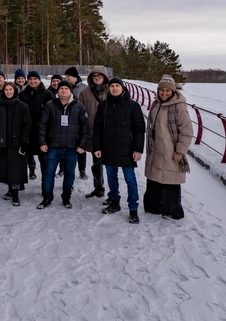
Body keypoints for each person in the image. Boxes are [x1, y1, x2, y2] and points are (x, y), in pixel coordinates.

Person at [93, 78, 145, 224]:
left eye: (117, 86)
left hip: (127, 149)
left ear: (123, 88)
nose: (115, 88)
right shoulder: (103, 106)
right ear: (108, 88)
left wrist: (138, 149)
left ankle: (133, 209)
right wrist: (97, 147)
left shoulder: (133, 106)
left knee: (130, 179)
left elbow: (139, 129)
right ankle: (114, 201)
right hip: (108, 147)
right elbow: (97, 128)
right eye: (112, 86)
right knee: (111, 176)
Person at [143, 75, 193, 220]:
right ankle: (154, 207)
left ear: (173, 91)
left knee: (170, 181)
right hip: (156, 148)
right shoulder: (156, 103)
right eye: (161, 90)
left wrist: (180, 151)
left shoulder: (179, 106)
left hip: (170, 150)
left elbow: (187, 131)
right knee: (155, 179)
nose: (164, 93)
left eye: (167, 91)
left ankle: (172, 211)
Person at [38, 80, 89, 209]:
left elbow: (85, 127)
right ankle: (47, 198)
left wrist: (82, 145)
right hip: (53, 146)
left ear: (70, 90)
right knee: (49, 173)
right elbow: (42, 125)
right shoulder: (50, 105)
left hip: (72, 147)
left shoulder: (79, 106)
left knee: (69, 174)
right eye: (61, 89)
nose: (64, 91)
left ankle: (66, 198)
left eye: (66, 88)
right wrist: (42, 142)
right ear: (58, 91)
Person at [0, 82, 32, 206]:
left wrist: (24, 141)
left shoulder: (22, 106)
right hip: (3, 142)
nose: (8, 92)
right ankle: (10, 190)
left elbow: (27, 125)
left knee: (15, 169)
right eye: (6, 90)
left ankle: (15, 194)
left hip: (17, 143)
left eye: (11, 89)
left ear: (15, 91)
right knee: (6, 168)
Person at [18, 71, 53, 184]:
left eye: (35, 79)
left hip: (42, 132)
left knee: (44, 160)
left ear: (39, 80)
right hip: (27, 131)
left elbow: (52, 113)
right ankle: (20, 183)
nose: (33, 81)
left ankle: (45, 184)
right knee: (23, 158)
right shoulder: (22, 94)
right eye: (30, 79)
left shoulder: (47, 94)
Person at [79, 65, 110, 187]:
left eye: (99, 75)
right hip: (92, 132)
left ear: (104, 77)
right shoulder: (84, 92)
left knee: (111, 165)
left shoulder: (111, 91)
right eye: (94, 76)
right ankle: (99, 187)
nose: (97, 78)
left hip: (108, 133)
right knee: (96, 163)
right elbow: (79, 112)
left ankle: (113, 193)